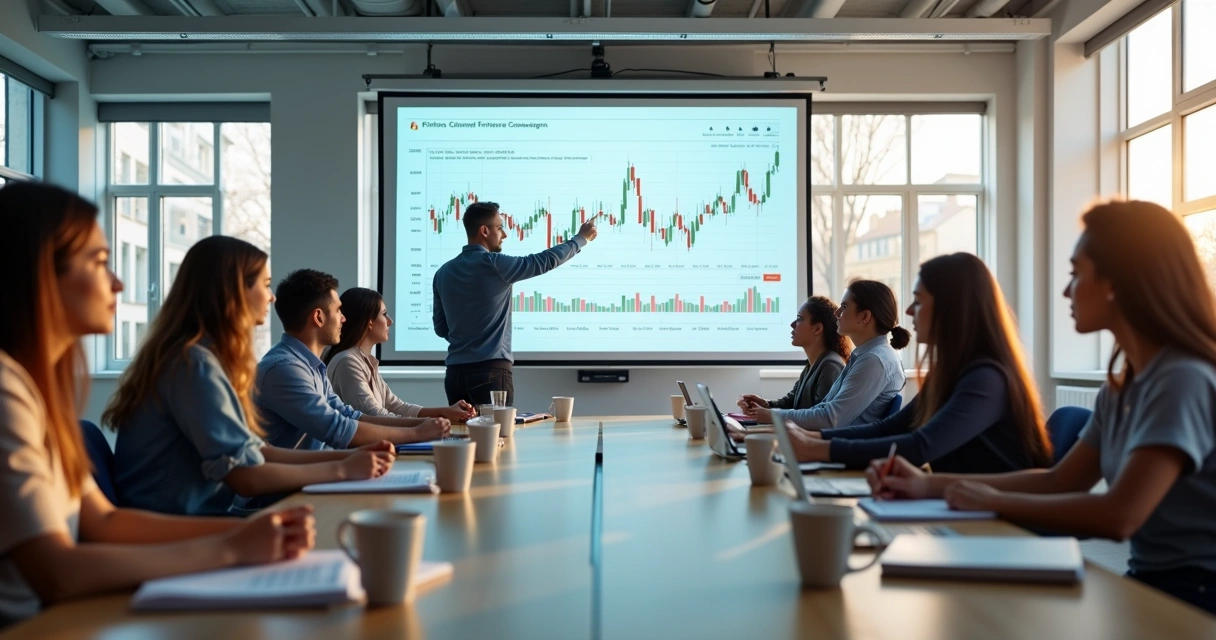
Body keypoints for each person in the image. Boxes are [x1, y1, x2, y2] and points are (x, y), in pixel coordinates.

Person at [869, 201, 1216, 615]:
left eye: (1075, 273)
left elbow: (1120, 514)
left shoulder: (1182, 378)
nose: (1067, 290)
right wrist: (927, 486)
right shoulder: (1121, 388)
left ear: (1115, 284)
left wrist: (989, 499)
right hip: (1155, 585)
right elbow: (1059, 481)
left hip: (1196, 595)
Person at [0, 182, 314, 627]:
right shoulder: (5, 391)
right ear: (39, 275)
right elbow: (56, 574)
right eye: (100, 262)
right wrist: (231, 547)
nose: (118, 281)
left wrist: (247, 532)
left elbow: (105, 522)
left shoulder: (36, 390)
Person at [106, 237, 397, 516]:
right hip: (177, 529)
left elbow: (258, 452)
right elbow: (246, 476)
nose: (271, 297)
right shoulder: (192, 364)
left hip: (198, 518)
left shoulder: (203, 359)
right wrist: (344, 467)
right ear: (233, 291)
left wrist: (349, 458)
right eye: (265, 285)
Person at [782, 253, 1053, 472]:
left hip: (1004, 528)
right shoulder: (951, 372)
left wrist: (816, 448)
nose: (909, 311)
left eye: (919, 301)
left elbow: (920, 446)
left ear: (953, 309)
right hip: (966, 511)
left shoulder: (986, 377)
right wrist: (812, 439)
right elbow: (889, 428)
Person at [258, 269, 450, 451]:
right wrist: (417, 432)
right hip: (296, 483)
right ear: (318, 317)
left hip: (316, 476)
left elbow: (350, 415)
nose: (343, 319)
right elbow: (338, 429)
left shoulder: (312, 365)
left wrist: (424, 423)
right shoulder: (284, 369)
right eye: (338, 311)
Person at [433, 201, 599, 406]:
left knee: (462, 437)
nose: (504, 234)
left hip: (455, 376)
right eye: (500, 228)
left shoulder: (442, 273)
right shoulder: (494, 264)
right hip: (490, 372)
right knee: (499, 437)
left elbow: (441, 328)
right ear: (484, 231)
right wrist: (580, 240)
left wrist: (468, 335)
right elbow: (542, 261)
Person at [748, 280, 907, 429]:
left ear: (864, 317)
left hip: (840, 452)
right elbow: (823, 407)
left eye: (844, 307)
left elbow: (830, 419)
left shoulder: (874, 361)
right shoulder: (864, 356)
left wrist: (772, 416)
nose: (837, 313)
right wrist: (770, 413)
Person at [325, 287, 475, 421]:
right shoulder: (348, 362)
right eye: (384, 314)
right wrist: (432, 423)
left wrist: (445, 412)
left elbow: (396, 406)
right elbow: (374, 415)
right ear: (369, 322)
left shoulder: (363, 360)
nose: (390, 321)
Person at [737, 296, 850, 413]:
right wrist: (766, 405)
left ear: (817, 329)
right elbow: (791, 402)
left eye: (799, 318)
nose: (792, 324)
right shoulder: (813, 364)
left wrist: (769, 414)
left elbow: (820, 416)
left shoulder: (830, 366)